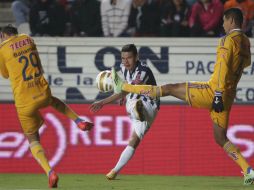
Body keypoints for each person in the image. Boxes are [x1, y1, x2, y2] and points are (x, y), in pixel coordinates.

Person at [111, 8, 254, 185]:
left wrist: (216, 94)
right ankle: (248, 170)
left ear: (231, 21)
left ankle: (123, 86)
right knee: (220, 137)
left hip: (214, 92)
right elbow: (245, 63)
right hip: (228, 96)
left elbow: (223, 66)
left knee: (169, 88)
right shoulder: (246, 42)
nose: (223, 25)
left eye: (224, 21)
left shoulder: (227, 40)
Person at [0, 25, 93, 188]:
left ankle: (50, 172)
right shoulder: (28, 39)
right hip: (41, 89)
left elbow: (5, 74)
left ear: (3, 35)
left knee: (32, 138)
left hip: (23, 100)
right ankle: (78, 121)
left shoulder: (2, 49)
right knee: (54, 101)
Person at [90, 44, 159, 180]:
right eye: (123, 58)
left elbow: (125, 90)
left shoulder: (143, 71)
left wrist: (102, 102)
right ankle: (114, 171)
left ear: (136, 57)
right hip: (136, 104)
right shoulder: (123, 68)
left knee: (132, 102)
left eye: (129, 58)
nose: (126, 61)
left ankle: (138, 109)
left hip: (150, 105)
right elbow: (125, 88)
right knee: (133, 141)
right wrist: (123, 95)